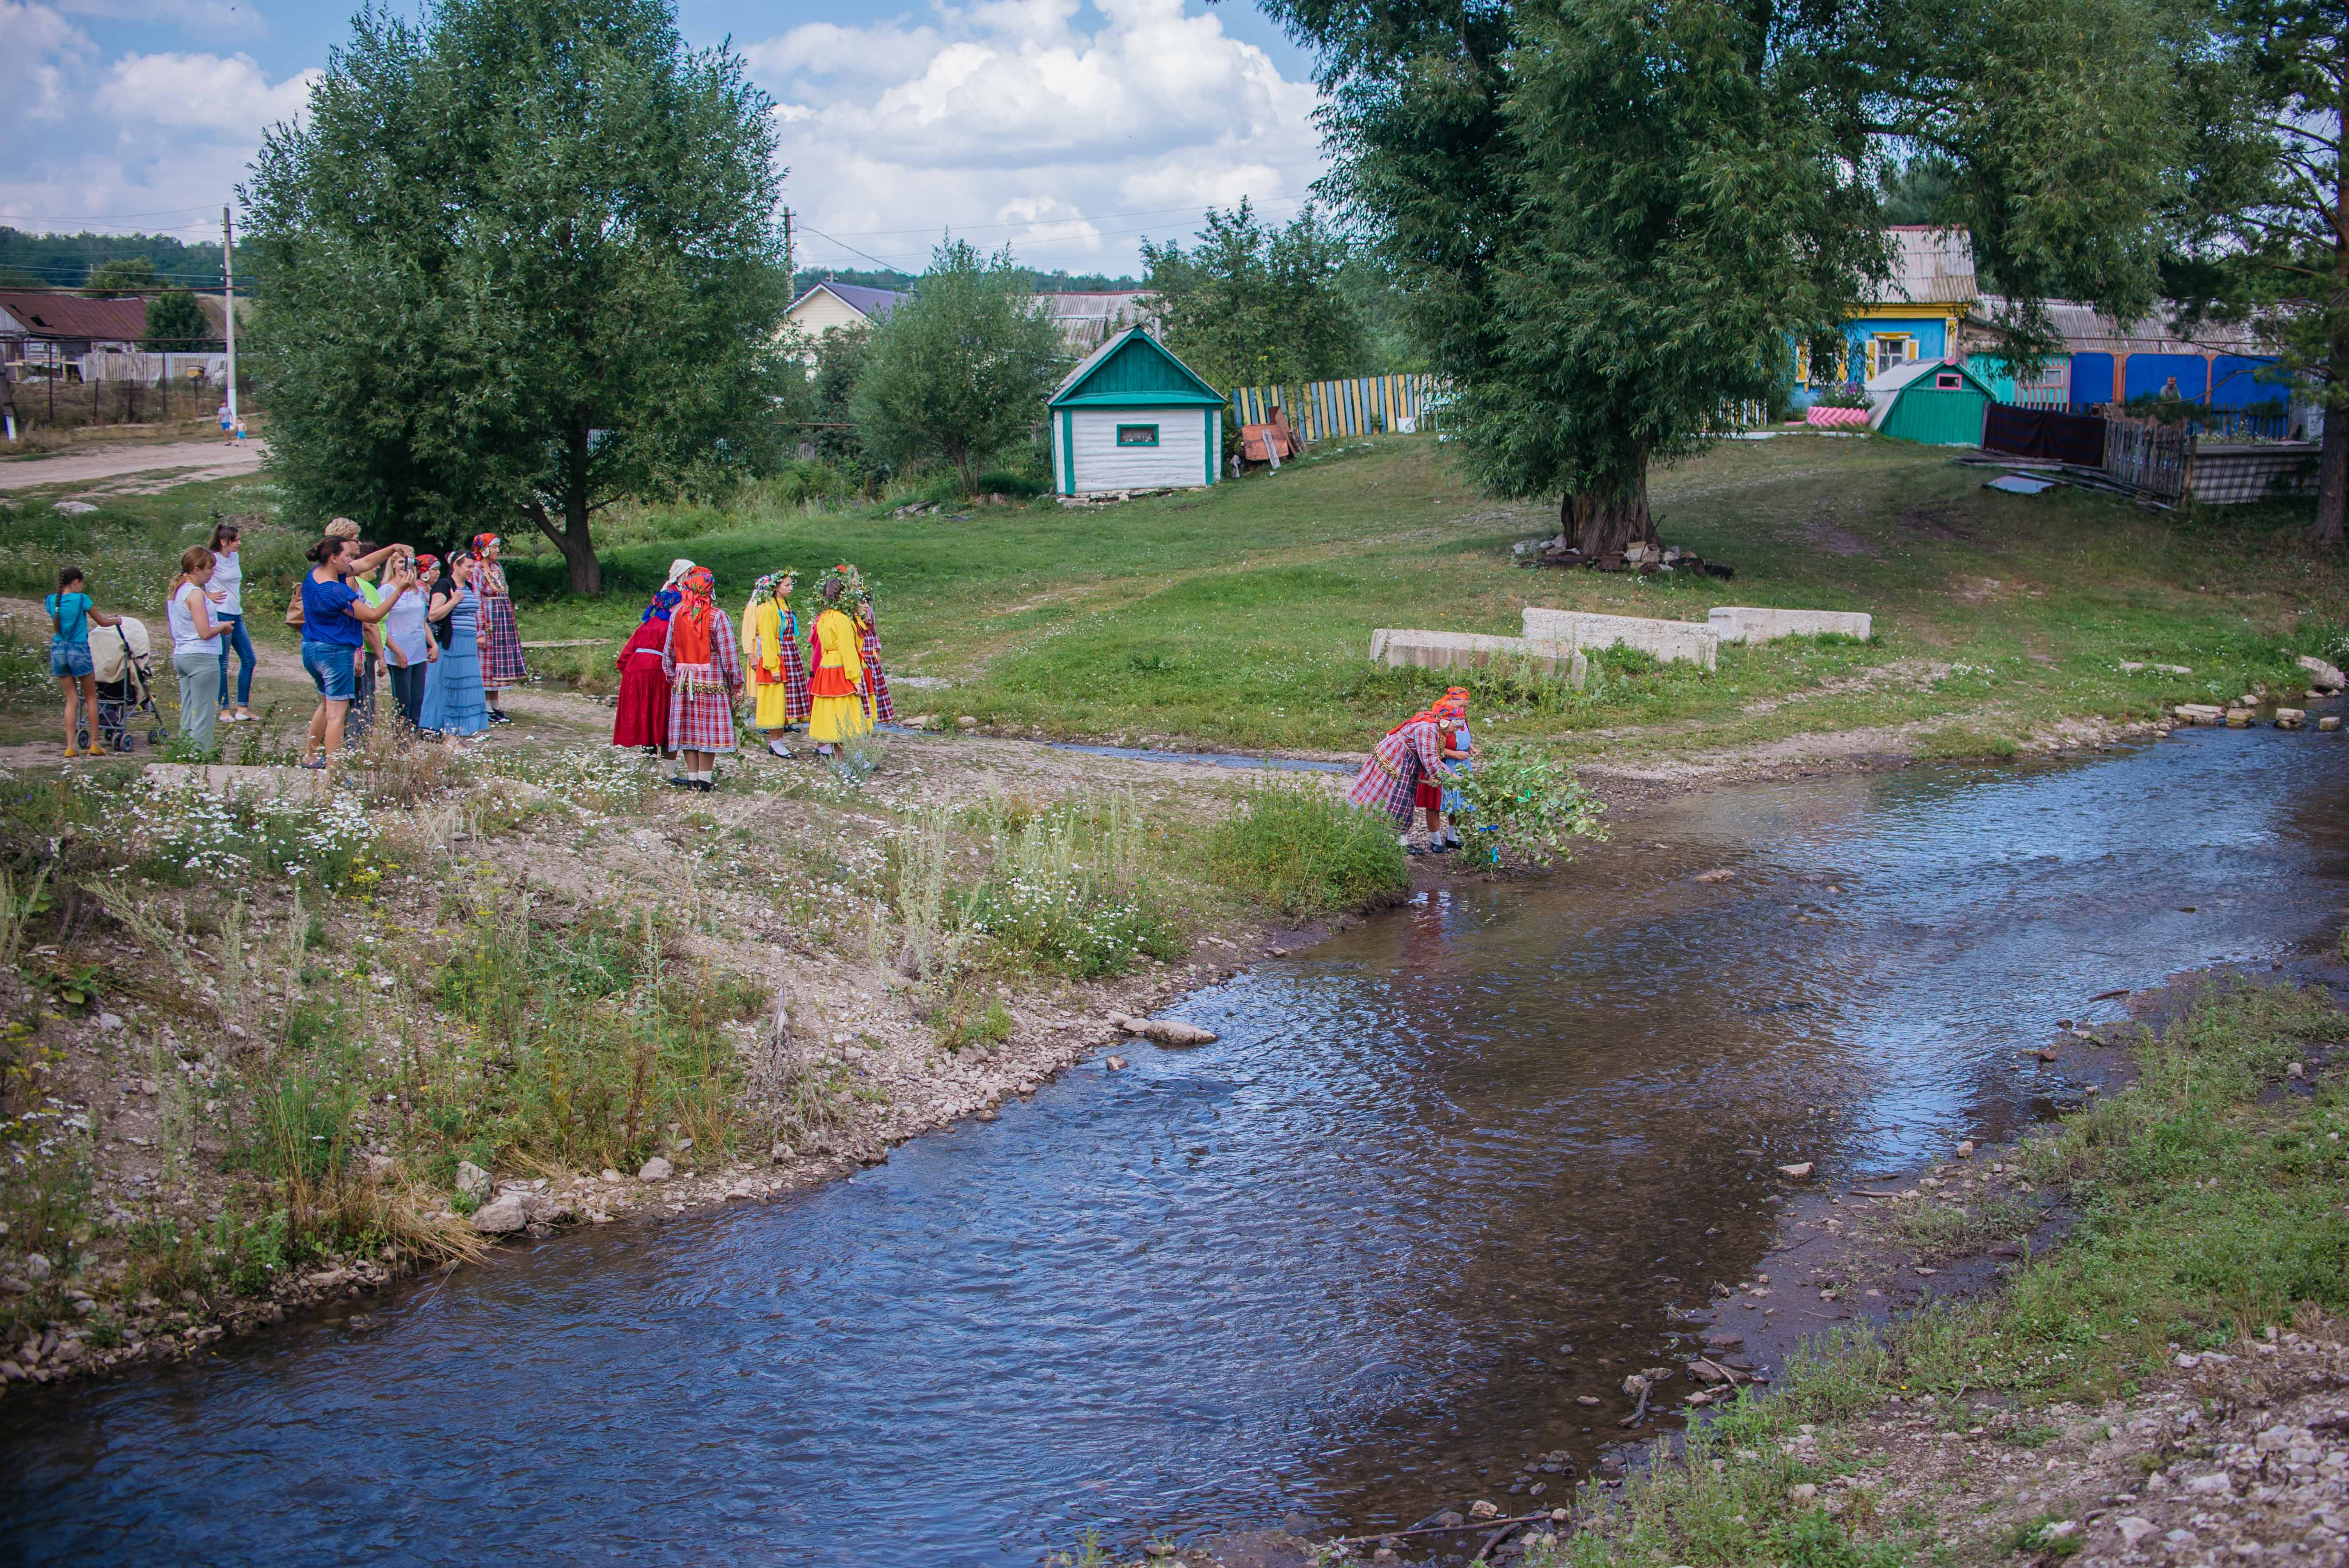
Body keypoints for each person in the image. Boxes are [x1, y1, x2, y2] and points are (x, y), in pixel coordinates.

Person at [298, 535, 414, 767]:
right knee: (336, 717)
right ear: (334, 558)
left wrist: (393, 546)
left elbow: (366, 564)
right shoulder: (335, 591)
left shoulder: (316, 575)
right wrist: (400, 590)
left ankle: (309, 755)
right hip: (335, 652)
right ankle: (335, 772)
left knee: (326, 707)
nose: (352, 561)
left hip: (311, 649)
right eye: (348, 556)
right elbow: (372, 616)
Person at [659, 566, 740, 789]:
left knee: (689, 729)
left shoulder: (677, 614)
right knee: (708, 730)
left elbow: (669, 651)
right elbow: (729, 654)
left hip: (684, 680)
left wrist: (671, 675)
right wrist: (737, 682)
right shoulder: (718, 617)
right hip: (711, 678)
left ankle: (692, 778)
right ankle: (704, 779)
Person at [1346, 701, 1459, 853]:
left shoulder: (1434, 726)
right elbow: (1429, 758)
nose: (1456, 730)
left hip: (1407, 760)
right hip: (1395, 759)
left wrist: (1430, 775)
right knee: (1393, 798)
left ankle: (1398, 840)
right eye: (1456, 726)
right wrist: (1452, 777)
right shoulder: (1427, 727)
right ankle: (1386, 840)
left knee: (1404, 800)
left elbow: (1425, 755)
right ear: (1446, 721)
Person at [46, 567, 122, 760]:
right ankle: (95, 744)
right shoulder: (82, 600)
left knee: (71, 699)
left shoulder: (51, 600)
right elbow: (103, 622)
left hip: (58, 650)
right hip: (78, 650)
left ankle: (71, 746)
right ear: (76, 582)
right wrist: (117, 620)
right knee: (90, 697)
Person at [166, 546, 230, 757]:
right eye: (210, 568)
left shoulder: (178, 591)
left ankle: (184, 752)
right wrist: (223, 627)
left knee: (188, 709)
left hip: (182, 654)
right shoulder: (195, 594)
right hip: (201, 656)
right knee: (204, 712)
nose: (212, 572)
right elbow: (204, 632)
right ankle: (200, 758)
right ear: (196, 569)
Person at [418, 552, 490, 738]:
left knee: (465, 684)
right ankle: (438, 726)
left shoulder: (468, 587)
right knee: (447, 682)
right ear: (456, 566)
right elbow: (433, 615)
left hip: (468, 644)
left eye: (473, 567)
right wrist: (454, 602)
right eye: (468, 567)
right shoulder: (444, 585)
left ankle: (460, 727)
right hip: (452, 642)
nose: (471, 571)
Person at [804, 566, 871, 760]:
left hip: (826, 668)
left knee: (834, 714)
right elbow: (848, 651)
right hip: (841, 669)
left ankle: (840, 760)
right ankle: (853, 759)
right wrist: (856, 679)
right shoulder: (842, 620)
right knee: (847, 715)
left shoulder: (823, 619)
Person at [612, 574, 684, 754]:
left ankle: (648, 751)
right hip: (656, 671)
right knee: (661, 711)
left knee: (645, 712)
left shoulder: (646, 625)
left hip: (634, 672)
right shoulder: (671, 626)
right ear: (671, 605)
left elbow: (624, 657)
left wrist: (631, 675)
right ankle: (666, 758)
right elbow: (677, 653)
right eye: (679, 604)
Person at [741, 570, 805, 759]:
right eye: (787, 585)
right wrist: (773, 666)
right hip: (777, 657)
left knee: (785, 700)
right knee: (776, 700)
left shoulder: (784, 605)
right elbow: (768, 639)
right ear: (776, 587)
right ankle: (775, 743)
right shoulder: (768, 608)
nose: (791, 588)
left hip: (789, 654)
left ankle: (780, 738)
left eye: (791, 584)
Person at [205, 520, 258, 724]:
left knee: (249, 660)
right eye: (235, 540)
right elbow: (191, 577)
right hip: (221, 614)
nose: (239, 543)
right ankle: (224, 709)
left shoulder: (234, 557)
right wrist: (207, 596)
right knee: (223, 663)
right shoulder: (212, 558)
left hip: (236, 613)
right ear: (223, 541)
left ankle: (243, 708)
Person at [378, 545, 435, 733]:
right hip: (399, 651)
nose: (405, 565)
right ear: (393, 564)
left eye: (408, 562)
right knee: (403, 701)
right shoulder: (386, 590)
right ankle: (400, 740)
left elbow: (423, 621)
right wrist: (397, 651)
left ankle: (412, 739)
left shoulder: (416, 590)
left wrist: (433, 644)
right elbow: (381, 625)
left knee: (417, 699)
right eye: (401, 561)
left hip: (418, 651)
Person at [472, 533, 527, 724]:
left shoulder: (497, 568)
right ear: (484, 549)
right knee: (487, 661)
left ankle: (495, 704)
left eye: (498, 547)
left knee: (498, 661)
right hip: (489, 618)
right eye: (494, 547)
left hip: (503, 618)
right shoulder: (477, 569)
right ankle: (485, 706)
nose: (497, 551)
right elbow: (477, 598)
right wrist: (480, 631)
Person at [855, 587, 894, 729]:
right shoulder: (851, 617)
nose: (866, 605)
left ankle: (870, 723)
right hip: (860, 659)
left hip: (869, 658)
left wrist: (877, 650)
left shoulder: (868, 612)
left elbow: (874, 631)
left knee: (873, 690)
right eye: (863, 602)